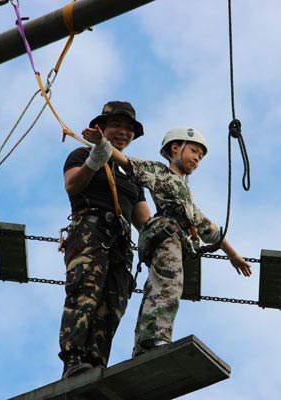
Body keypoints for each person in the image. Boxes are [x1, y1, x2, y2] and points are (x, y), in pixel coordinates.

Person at [83, 124, 252, 357]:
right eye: (194, 151)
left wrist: (233, 254)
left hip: (176, 239)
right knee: (166, 285)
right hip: (166, 235)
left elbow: (210, 229)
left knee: (165, 286)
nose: (197, 159)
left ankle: (147, 343)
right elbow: (129, 163)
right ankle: (154, 339)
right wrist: (103, 144)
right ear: (176, 148)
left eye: (200, 157)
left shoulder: (187, 200)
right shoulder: (160, 173)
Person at [59, 101, 151, 378]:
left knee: (113, 302)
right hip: (91, 228)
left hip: (121, 240)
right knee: (85, 292)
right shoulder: (81, 154)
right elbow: (72, 185)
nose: (123, 132)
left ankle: (96, 362)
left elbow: (144, 220)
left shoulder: (132, 175)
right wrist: (95, 159)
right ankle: (73, 358)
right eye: (116, 126)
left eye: (128, 129)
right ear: (102, 128)